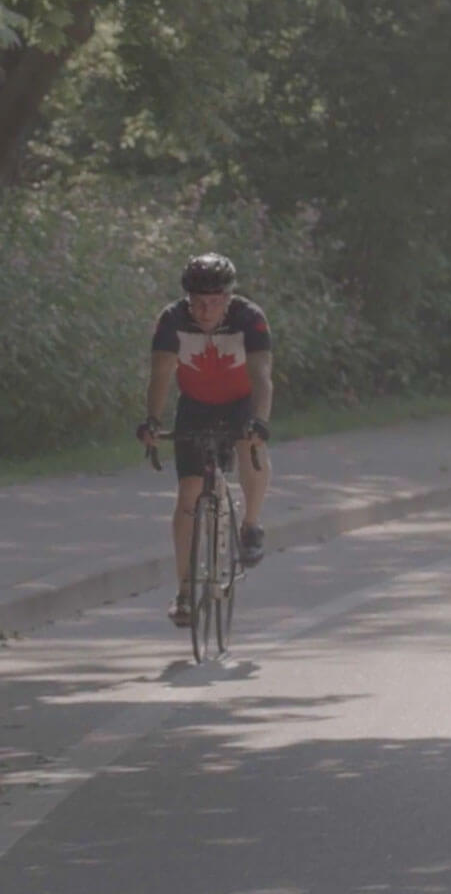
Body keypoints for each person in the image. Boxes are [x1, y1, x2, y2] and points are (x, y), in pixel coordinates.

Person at [136, 252, 273, 627]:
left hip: (240, 402)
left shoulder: (249, 318)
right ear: (187, 299)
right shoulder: (172, 319)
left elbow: (262, 376)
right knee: (188, 496)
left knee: (251, 446)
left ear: (229, 299)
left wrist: (260, 421)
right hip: (196, 405)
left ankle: (251, 524)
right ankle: (183, 592)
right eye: (198, 302)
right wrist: (152, 420)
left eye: (214, 303)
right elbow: (161, 374)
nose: (206, 310)